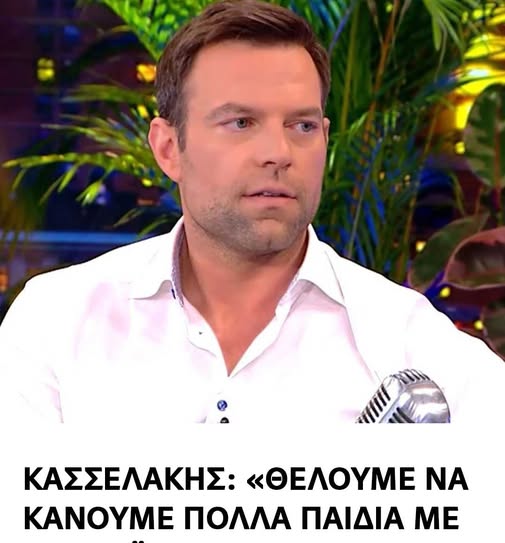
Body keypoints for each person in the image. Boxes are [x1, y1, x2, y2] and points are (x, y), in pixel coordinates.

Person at [0, 0, 503, 423]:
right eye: (241, 122)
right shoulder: (56, 322)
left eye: (302, 126)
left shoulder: (414, 348)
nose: (278, 153)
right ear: (169, 148)